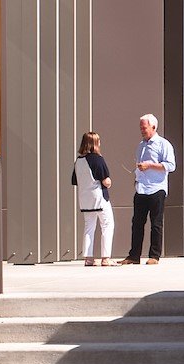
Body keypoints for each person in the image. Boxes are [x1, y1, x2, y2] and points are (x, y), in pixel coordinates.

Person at [121, 113, 176, 264]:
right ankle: (134, 256)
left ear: (153, 127)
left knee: (156, 223)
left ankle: (154, 255)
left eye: (144, 127)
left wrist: (150, 165)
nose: (142, 130)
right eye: (141, 127)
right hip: (141, 189)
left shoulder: (163, 144)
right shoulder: (141, 145)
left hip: (157, 188)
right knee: (137, 223)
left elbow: (171, 166)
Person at [71, 132, 116, 265]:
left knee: (89, 227)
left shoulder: (78, 161)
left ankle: (88, 258)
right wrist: (109, 182)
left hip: (85, 199)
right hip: (99, 197)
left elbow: (75, 180)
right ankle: (106, 258)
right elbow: (106, 181)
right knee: (107, 225)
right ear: (94, 144)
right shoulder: (97, 159)